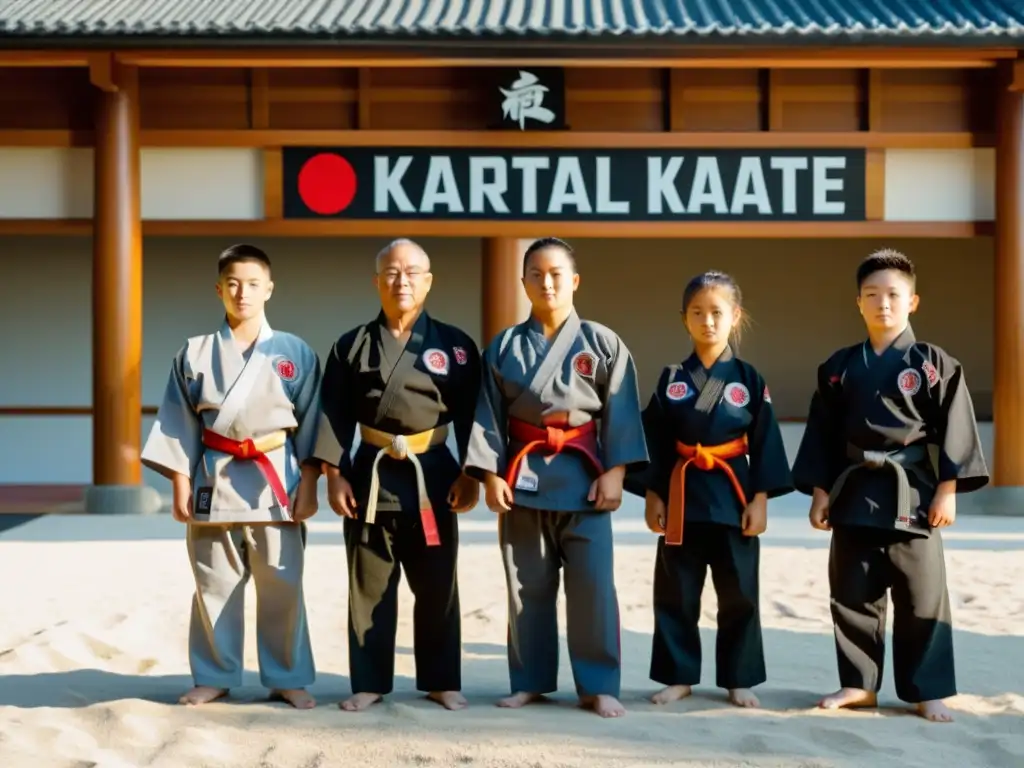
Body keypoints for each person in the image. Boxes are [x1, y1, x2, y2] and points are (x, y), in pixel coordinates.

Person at [792, 249, 989, 723]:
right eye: (872, 295)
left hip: (915, 492)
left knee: (922, 594)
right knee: (853, 592)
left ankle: (927, 689)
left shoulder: (934, 364)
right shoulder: (838, 367)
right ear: (858, 303)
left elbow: (955, 430)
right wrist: (821, 492)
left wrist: (948, 489)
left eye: (893, 295)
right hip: (854, 490)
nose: (883, 304)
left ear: (913, 301)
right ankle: (858, 685)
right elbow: (822, 433)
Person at [463, 237, 648, 719]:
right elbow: (487, 415)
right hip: (523, 478)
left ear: (575, 281)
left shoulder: (602, 343)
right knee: (527, 587)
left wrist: (617, 471)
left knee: (593, 588)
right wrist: (489, 476)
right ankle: (530, 681)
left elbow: (621, 410)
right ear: (523, 281)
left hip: (585, 477)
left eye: (556, 274)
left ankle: (598, 685)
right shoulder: (503, 346)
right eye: (536, 274)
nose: (546, 283)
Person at [141, 243, 322, 710]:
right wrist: (179, 483)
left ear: (269, 289)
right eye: (233, 284)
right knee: (213, 583)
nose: (243, 293)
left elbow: (314, 420)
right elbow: (178, 422)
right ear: (219, 289)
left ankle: (286, 676)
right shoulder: (195, 352)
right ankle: (215, 674)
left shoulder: (294, 352)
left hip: (275, 480)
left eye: (253, 284)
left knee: (283, 584)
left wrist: (311, 483)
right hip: (213, 477)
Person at [314, 239, 482, 713]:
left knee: (437, 586)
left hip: (434, 478)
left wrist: (471, 473)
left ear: (428, 281)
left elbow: (473, 415)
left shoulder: (456, 347)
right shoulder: (351, 346)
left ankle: (440, 680)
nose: (401, 280)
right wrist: (334, 474)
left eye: (412, 272)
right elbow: (333, 415)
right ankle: (369, 682)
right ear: (376, 281)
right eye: (391, 272)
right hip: (371, 477)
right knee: (368, 588)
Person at [627, 271, 793, 709]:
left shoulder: (748, 379)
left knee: (739, 592)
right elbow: (655, 441)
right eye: (697, 313)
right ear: (684, 319)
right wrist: (652, 494)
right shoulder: (672, 378)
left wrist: (760, 499)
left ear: (735, 317)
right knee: (676, 592)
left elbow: (765, 441)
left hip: (733, 495)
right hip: (682, 496)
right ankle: (678, 675)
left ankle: (739, 678)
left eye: (717, 312)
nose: (708, 321)